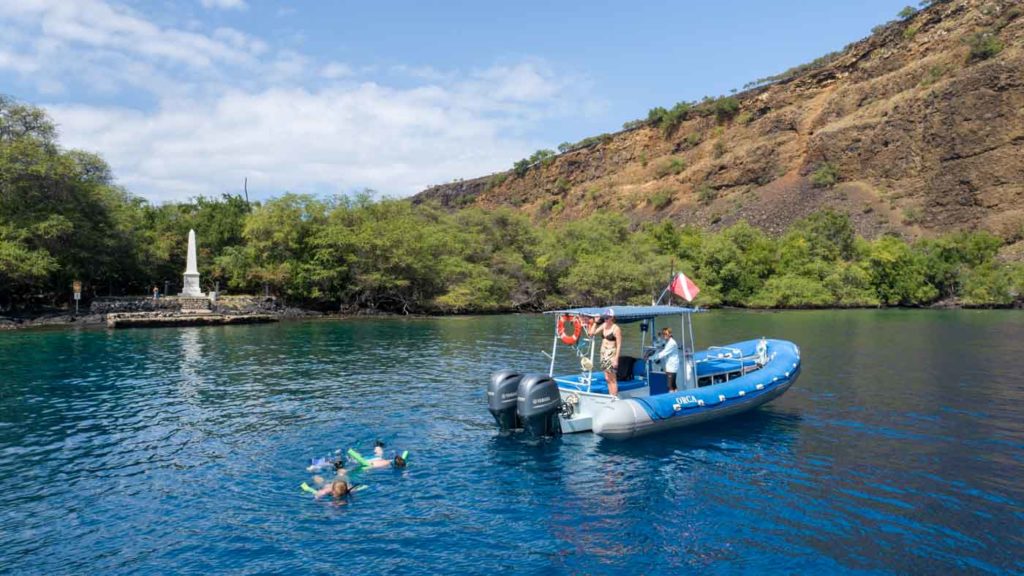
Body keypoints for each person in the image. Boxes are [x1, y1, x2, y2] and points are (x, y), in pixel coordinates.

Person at [593, 308, 622, 397]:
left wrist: (616, 359)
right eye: (605, 317)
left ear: (612, 317)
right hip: (603, 354)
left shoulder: (616, 329)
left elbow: (619, 344)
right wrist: (596, 322)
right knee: (607, 378)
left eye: (607, 318)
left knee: (612, 379)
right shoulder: (603, 325)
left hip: (611, 354)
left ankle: (615, 397)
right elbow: (591, 333)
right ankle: (611, 396)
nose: (606, 319)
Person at [650, 327, 680, 391]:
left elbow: (663, 353)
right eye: (663, 334)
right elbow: (661, 344)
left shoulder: (672, 343)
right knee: (673, 384)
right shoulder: (667, 341)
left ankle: (672, 398)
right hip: (670, 365)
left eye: (666, 334)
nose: (664, 335)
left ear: (670, 334)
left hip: (672, 366)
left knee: (670, 385)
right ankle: (676, 395)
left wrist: (651, 358)